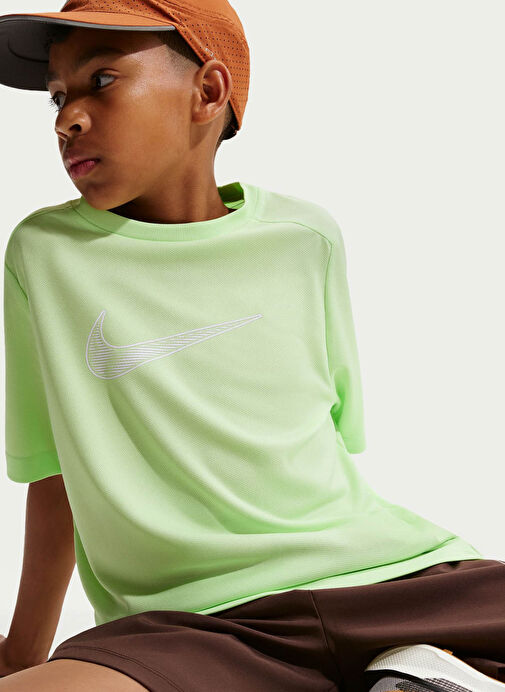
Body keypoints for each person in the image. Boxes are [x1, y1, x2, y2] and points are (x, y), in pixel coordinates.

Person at [0, 1, 504, 690]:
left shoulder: (305, 238)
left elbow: (328, 433)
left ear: (208, 91)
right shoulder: (46, 254)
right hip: (191, 627)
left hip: (392, 580)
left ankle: (417, 671)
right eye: (58, 97)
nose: (67, 119)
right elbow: (56, 470)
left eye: (102, 81)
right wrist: (23, 651)